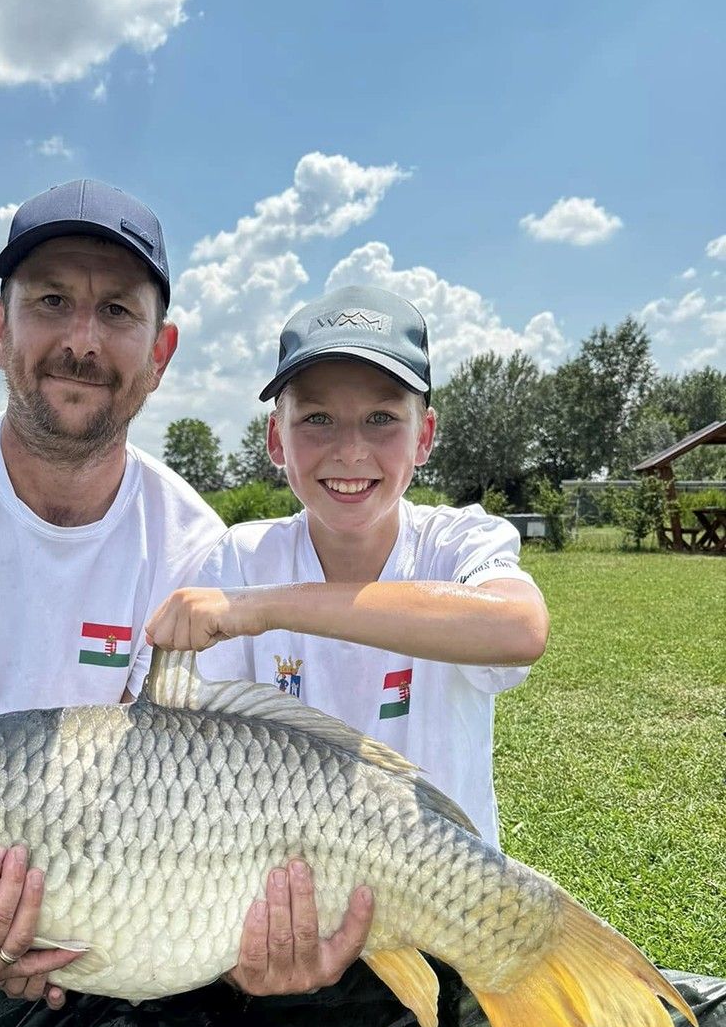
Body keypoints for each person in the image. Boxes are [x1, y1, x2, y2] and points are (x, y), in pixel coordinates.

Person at [0, 180, 373, 1010]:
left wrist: (217, 938)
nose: (81, 342)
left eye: (117, 312)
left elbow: (180, 785)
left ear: (161, 352)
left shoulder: (194, 545)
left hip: (117, 883)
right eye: (51, 301)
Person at [146, 284, 550, 850]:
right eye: (317, 419)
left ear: (424, 437)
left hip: (443, 897)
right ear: (275, 439)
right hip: (292, 894)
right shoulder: (241, 556)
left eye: (382, 417)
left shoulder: (460, 541)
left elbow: (519, 628)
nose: (351, 451)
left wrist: (259, 606)